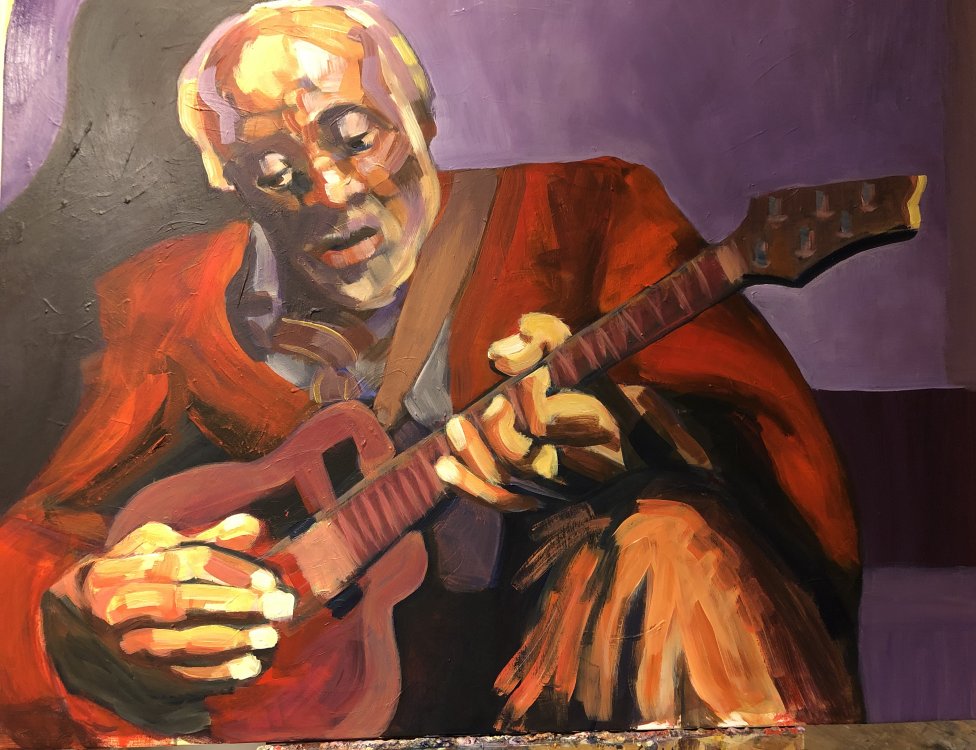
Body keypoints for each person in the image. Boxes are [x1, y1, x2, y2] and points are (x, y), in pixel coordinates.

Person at [0, 1, 862, 746]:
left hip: (558, 669)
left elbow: (770, 445)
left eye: (356, 138)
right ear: (227, 180)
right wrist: (77, 606)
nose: (330, 191)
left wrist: (631, 440)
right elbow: (41, 531)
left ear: (420, 117)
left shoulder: (587, 216)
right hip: (287, 704)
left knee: (669, 550)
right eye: (275, 172)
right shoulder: (164, 301)